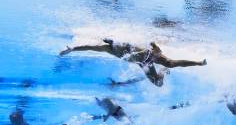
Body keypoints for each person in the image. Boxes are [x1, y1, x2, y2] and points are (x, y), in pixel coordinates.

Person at [59, 39, 207, 87]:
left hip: (149, 54)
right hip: (144, 63)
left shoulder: (125, 44)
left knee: (170, 63)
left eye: (113, 43)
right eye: (111, 44)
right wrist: (72, 48)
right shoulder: (106, 49)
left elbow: (139, 50)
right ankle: (163, 71)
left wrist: (151, 51)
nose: (114, 46)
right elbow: (89, 47)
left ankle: (199, 63)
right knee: (158, 84)